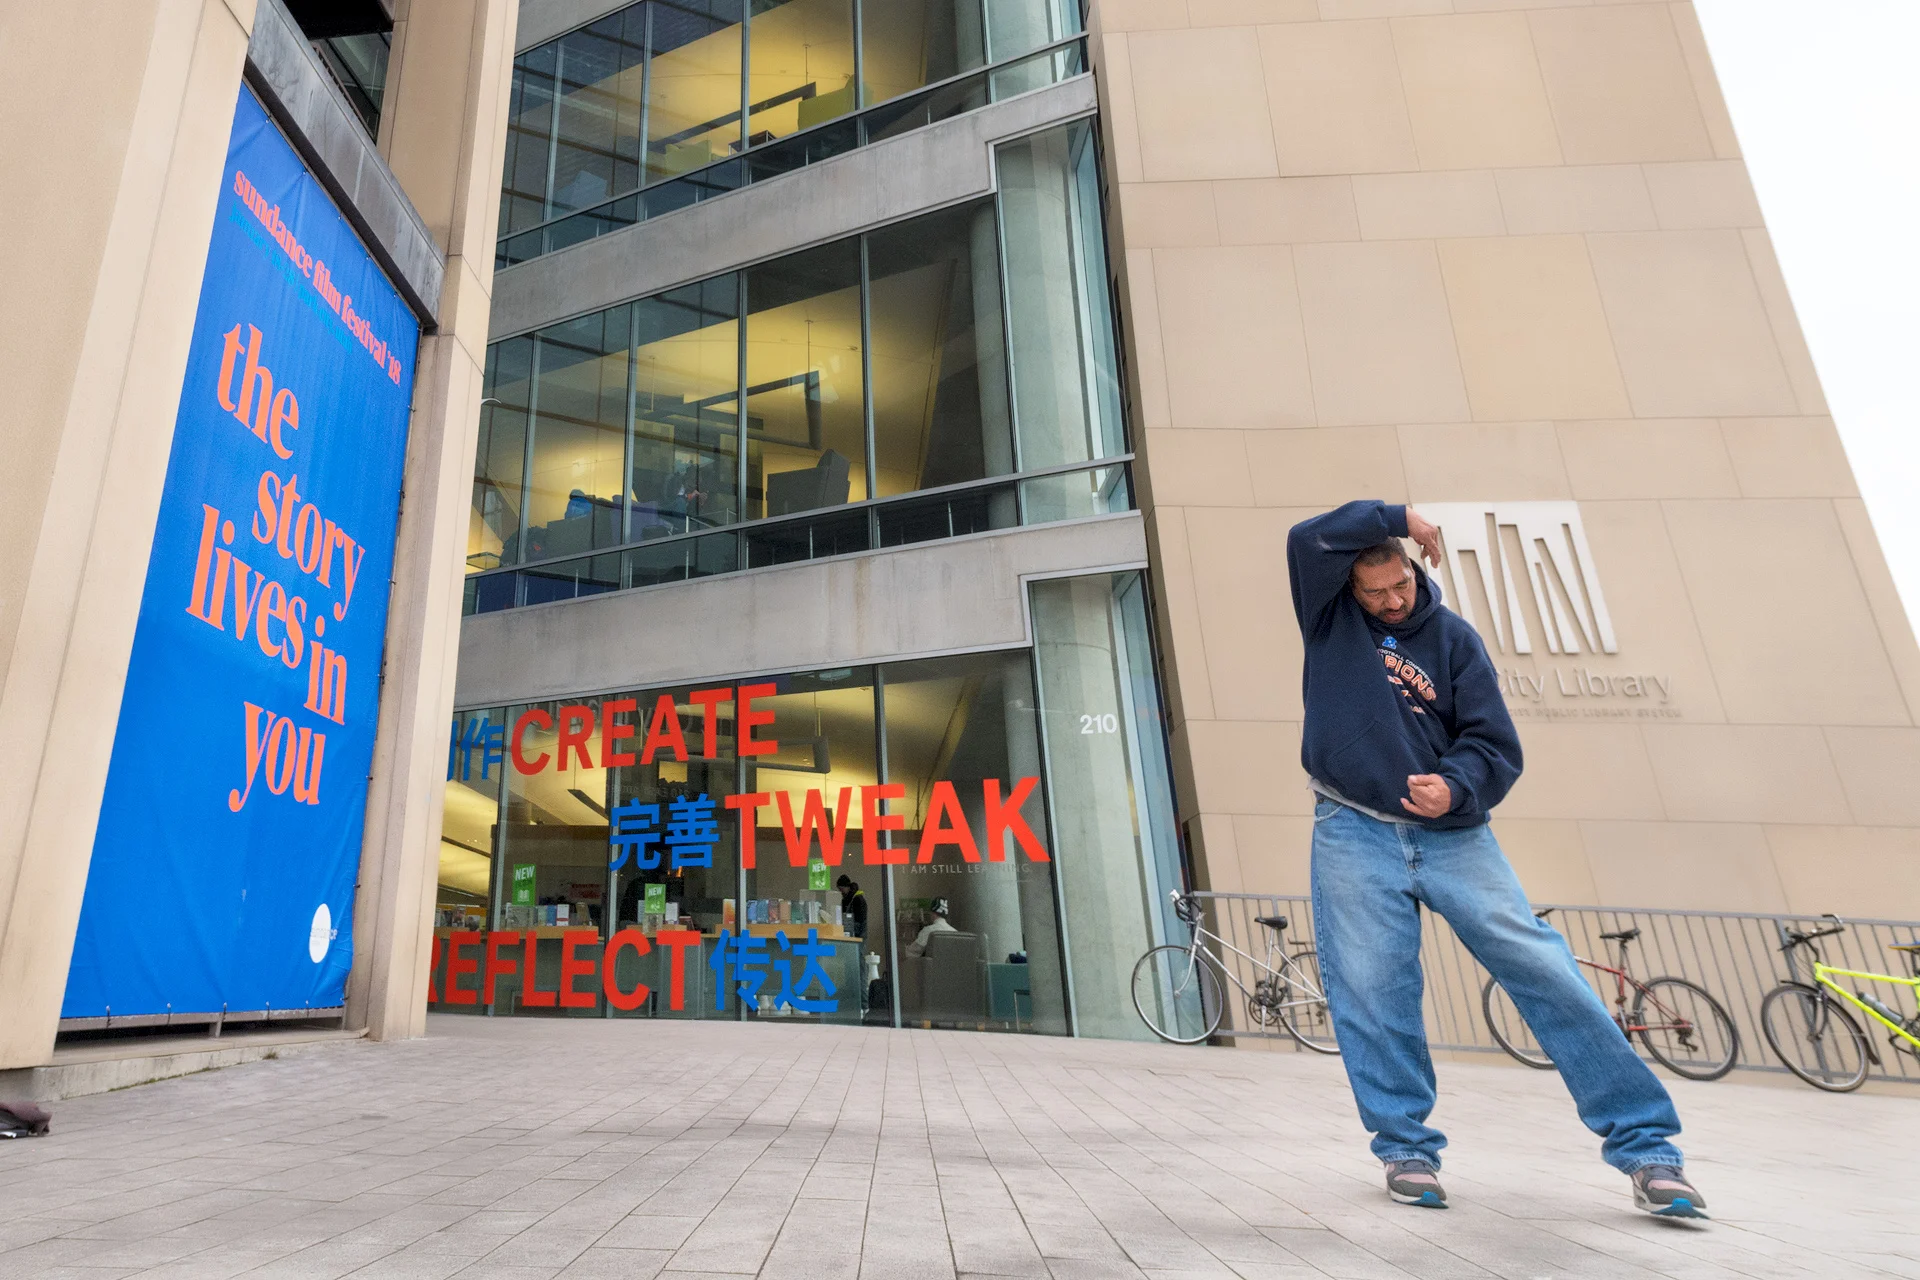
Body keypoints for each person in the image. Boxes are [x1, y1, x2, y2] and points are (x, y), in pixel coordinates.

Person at [1288, 500, 1705, 1220]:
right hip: (1352, 828)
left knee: (1544, 969)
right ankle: (1406, 1149)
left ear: (1414, 573)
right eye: (1375, 593)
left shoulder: (1454, 639)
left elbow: (1493, 745)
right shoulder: (1330, 623)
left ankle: (1649, 1152)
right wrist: (1397, 513)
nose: (1392, 602)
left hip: (1454, 837)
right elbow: (1306, 538)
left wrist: (1454, 787)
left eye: (1401, 586)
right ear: (1350, 590)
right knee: (1373, 990)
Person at [836, 875, 868, 942]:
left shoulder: (857, 899)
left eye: (841, 889)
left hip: (858, 934)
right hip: (852, 933)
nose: (841, 892)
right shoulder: (846, 900)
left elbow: (859, 920)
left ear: (847, 887)